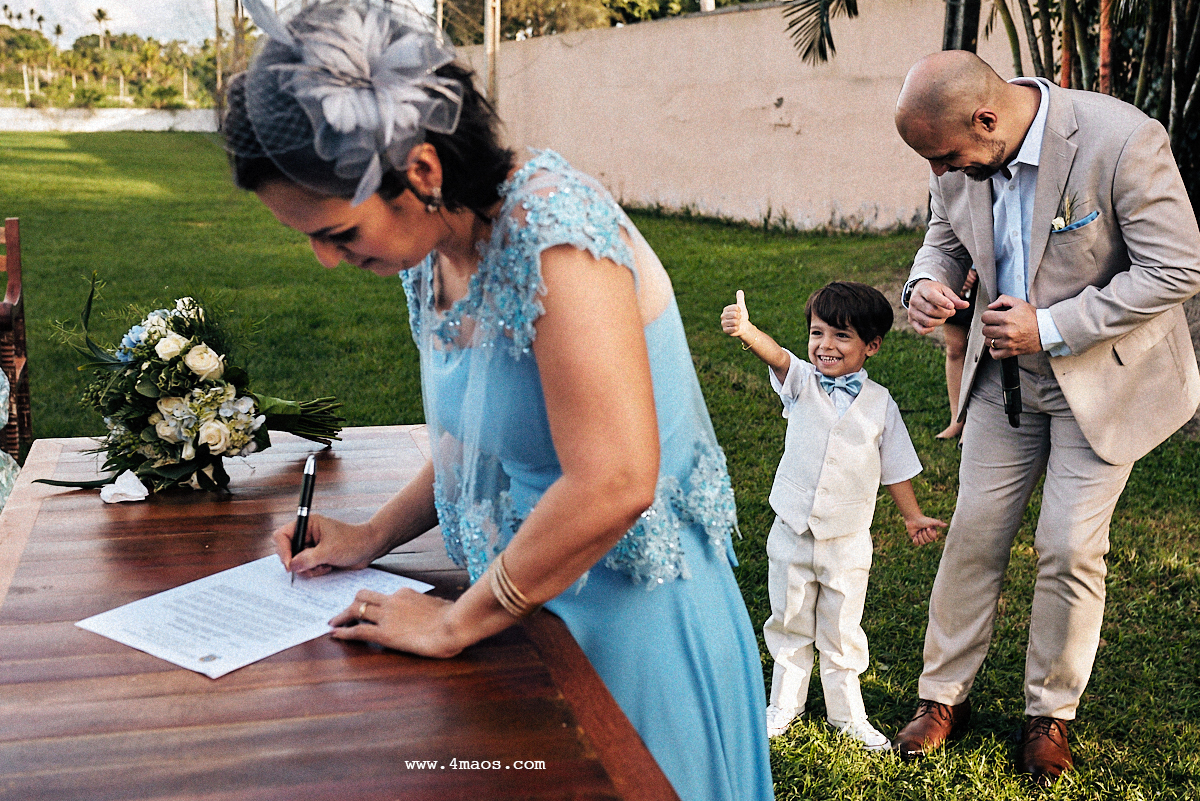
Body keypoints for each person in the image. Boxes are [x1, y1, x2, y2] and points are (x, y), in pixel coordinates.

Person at [223, 2, 774, 799]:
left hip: (632, 633)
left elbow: (616, 480)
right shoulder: (437, 243)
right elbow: (477, 438)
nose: (325, 260)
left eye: (340, 233)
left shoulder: (554, 237)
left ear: (420, 172)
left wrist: (454, 622)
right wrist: (373, 534)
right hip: (525, 614)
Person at [893, 50, 1200, 783]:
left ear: (987, 119)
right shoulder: (958, 157)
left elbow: (1176, 268)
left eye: (945, 158)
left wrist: (1052, 325)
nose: (940, 174)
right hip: (1004, 383)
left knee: (1066, 545)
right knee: (973, 532)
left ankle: (1049, 715)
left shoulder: (1122, 139)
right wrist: (925, 286)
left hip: (1102, 382)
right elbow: (942, 236)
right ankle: (943, 697)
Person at [719, 283, 945, 749]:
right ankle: (785, 703)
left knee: (842, 628)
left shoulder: (882, 405)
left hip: (847, 541)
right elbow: (777, 356)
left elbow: (895, 468)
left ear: (872, 345)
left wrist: (912, 516)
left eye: (841, 336)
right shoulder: (801, 382)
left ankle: (847, 714)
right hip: (792, 532)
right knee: (789, 619)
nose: (825, 346)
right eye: (817, 333)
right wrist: (747, 331)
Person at [935, 267, 976, 440]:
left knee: (985, 351)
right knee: (954, 349)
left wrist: (975, 266)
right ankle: (956, 420)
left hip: (995, 273)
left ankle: (974, 423)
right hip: (962, 271)